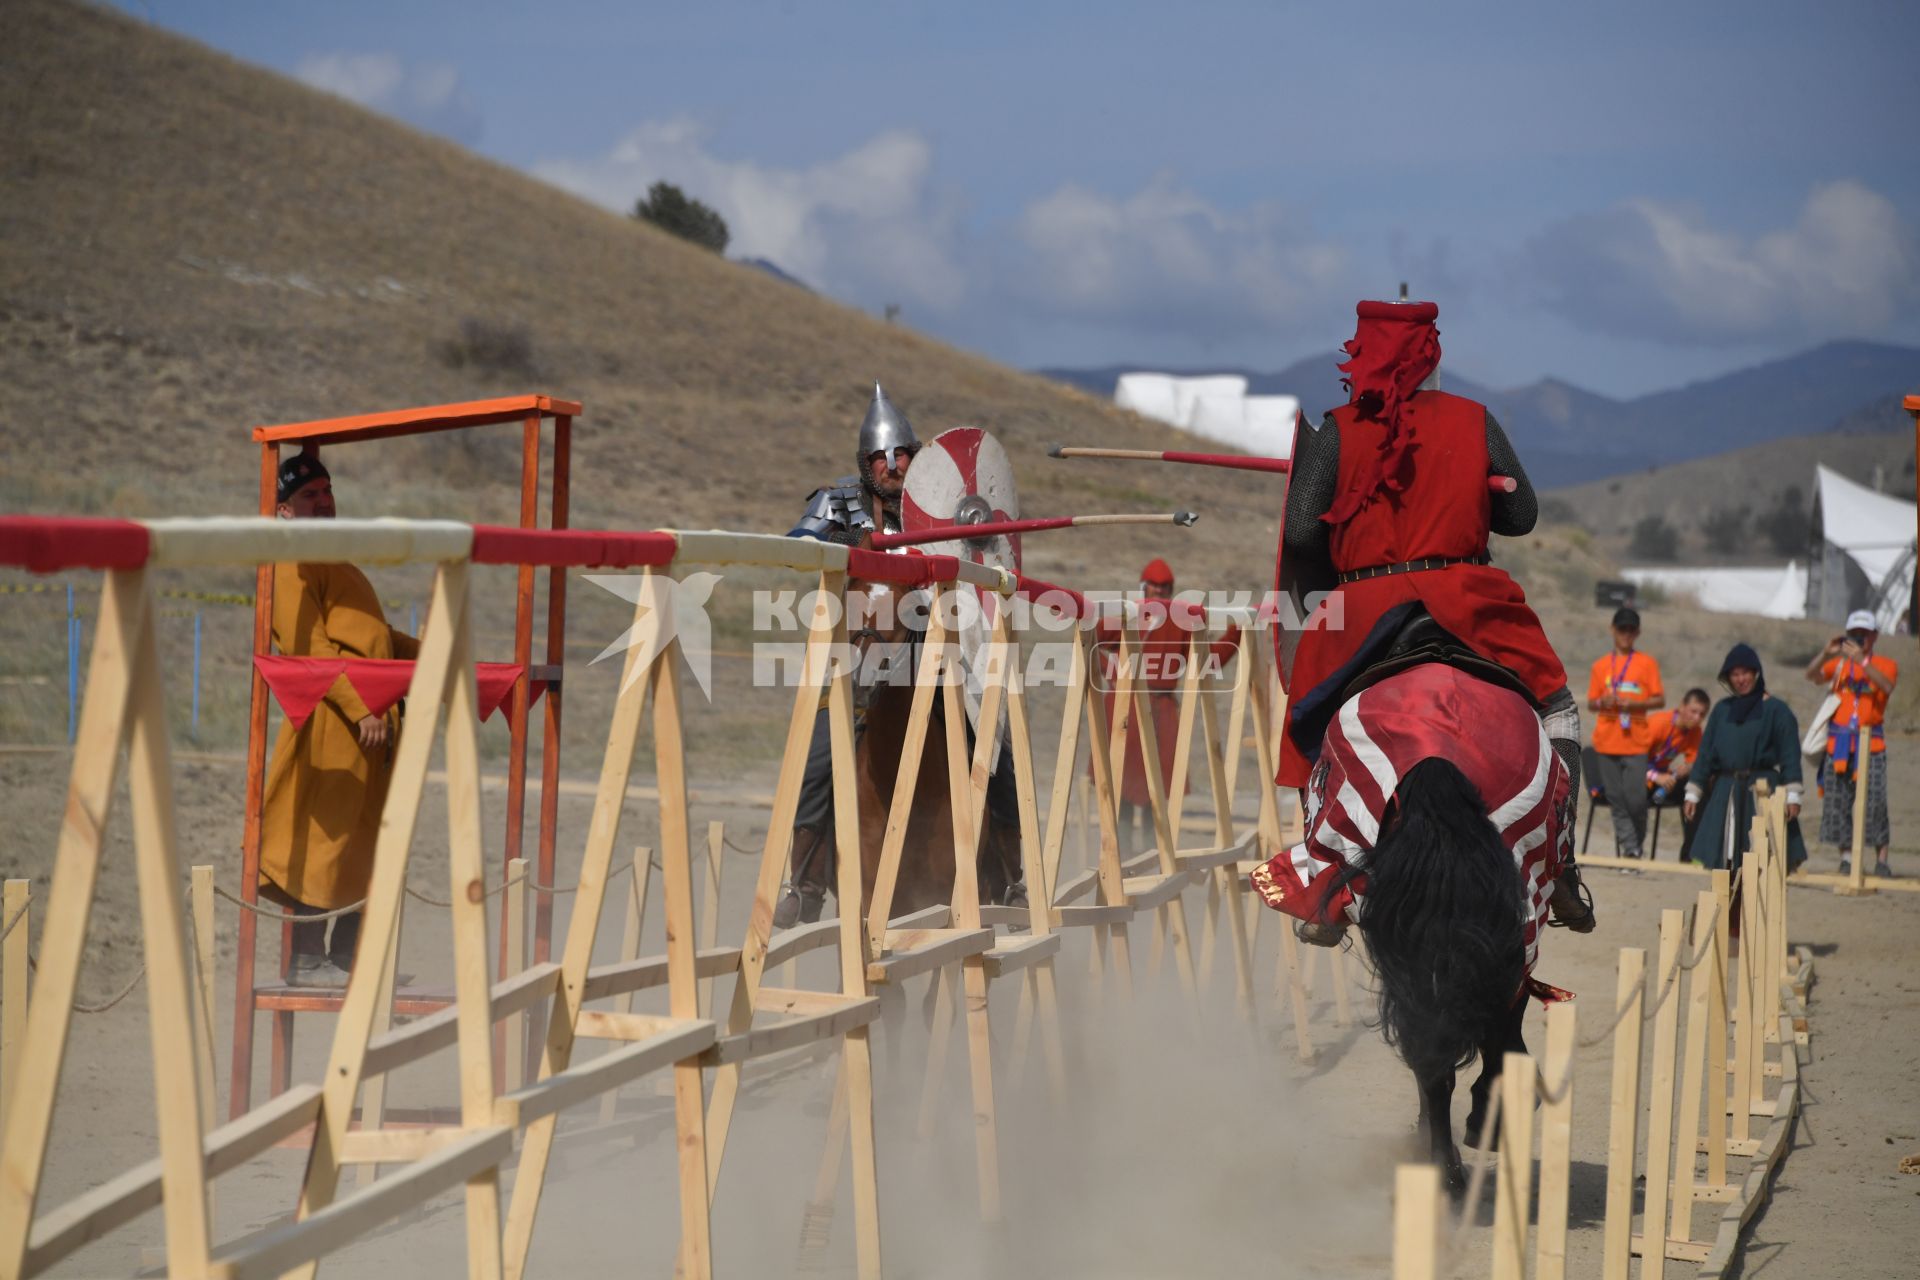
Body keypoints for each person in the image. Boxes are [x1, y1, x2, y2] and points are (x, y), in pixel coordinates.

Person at [1278, 297, 1591, 932]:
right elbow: (1522, 517)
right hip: (1466, 601)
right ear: (1432, 354)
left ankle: (1325, 889)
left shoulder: (1339, 428)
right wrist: (1476, 491)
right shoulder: (1475, 421)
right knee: (1557, 709)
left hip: (1362, 611)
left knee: (1317, 724)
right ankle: (1560, 869)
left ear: (1360, 352)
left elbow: (1301, 535)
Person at [780, 383, 1024, 925]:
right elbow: (799, 549)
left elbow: (980, 566)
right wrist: (847, 548)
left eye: (902, 454)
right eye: (880, 457)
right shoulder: (838, 502)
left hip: (938, 658)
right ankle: (806, 879)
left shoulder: (943, 509)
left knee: (994, 747)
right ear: (865, 464)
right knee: (818, 757)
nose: (892, 464)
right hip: (860, 659)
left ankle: (1011, 875)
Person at [259, 452, 418, 986]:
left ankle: (352, 958)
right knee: (324, 839)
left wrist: (434, 649)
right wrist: (359, 705)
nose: (323, 502)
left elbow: (372, 637)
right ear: (283, 511)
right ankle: (307, 959)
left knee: (366, 841)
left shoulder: (338, 563)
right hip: (336, 721)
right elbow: (310, 647)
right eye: (309, 496)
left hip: (373, 726)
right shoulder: (290, 561)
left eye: (326, 492)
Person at [1093, 559, 1238, 854]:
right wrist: (1113, 674)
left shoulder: (1181, 620)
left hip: (1161, 709)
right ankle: (1118, 858)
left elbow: (1206, 662)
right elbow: (1089, 640)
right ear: (1144, 587)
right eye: (1154, 587)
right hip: (1125, 706)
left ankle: (1153, 855)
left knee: (1155, 793)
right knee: (1120, 786)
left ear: (1171, 590)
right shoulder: (1128, 614)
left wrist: (1235, 632)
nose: (1159, 593)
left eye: (1165, 588)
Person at [1683, 644, 1807, 872]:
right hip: (1727, 790)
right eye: (1735, 674)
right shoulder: (1722, 710)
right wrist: (1694, 792)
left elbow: (1790, 754)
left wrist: (1792, 796)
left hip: (1762, 790)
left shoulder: (1777, 710)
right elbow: (1706, 755)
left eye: (1745, 673)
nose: (1741, 679)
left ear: (1756, 673)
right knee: (1725, 859)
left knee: (1763, 860)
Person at [1806, 610, 1899, 877]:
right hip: (1839, 744)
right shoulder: (1839, 666)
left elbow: (1887, 686)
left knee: (1875, 803)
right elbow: (1811, 675)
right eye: (1854, 634)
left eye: (1864, 634)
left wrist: (1863, 661)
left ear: (1874, 636)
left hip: (1872, 744)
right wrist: (1827, 653)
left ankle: (1881, 859)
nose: (1859, 638)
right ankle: (1846, 857)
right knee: (1838, 802)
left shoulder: (1884, 663)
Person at [1586, 607, 1666, 859]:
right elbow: (1591, 703)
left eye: (1631, 630)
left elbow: (1660, 699)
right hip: (1607, 742)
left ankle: (1634, 845)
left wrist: (1636, 705)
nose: (1626, 634)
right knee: (1616, 799)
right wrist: (1604, 702)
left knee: (1636, 800)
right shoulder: (1600, 666)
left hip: (1636, 742)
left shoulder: (1647, 663)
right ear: (1612, 630)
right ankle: (1632, 851)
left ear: (1638, 632)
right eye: (1622, 629)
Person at [1645, 688, 1710, 860]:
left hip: (1665, 781)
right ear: (1682, 706)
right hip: (1638, 778)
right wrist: (1655, 777)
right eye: (1693, 711)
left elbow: (1696, 761)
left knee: (1698, 788)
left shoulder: (1695, 732)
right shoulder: (1659, 723)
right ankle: (1633, 853)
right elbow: (1632, 758)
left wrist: (1688, 768)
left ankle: (1690, 854)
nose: (1696, 718)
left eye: (1702, 714)